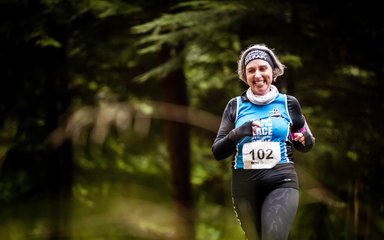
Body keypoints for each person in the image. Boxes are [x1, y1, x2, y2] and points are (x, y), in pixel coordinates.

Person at [211, 43, 315, 240]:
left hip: (281, 179)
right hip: (244, 184)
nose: (257, 75)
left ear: (273, 71)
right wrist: (238, 133)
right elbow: (218, 151)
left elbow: (306, 141)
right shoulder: (235, 106)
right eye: (251, 70)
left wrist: (305, 139)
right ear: (245, 76)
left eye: (262, 68)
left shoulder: (288, 103)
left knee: (274, 236)